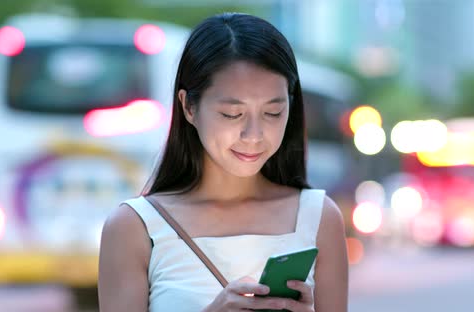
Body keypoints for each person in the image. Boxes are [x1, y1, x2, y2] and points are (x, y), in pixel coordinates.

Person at [98, 12, 348, 312]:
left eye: (273, 113)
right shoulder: (134, 228)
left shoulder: (318, 217)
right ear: (189, 107)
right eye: (232, 114)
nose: (253, 135)